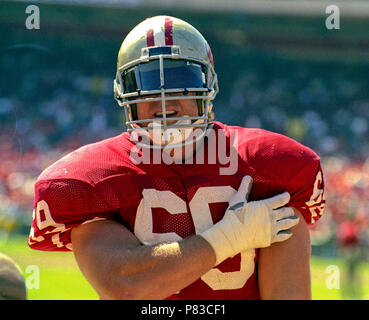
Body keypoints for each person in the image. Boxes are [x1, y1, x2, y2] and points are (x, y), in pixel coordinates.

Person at [28, 16, 325, 300]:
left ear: (208, 86)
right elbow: (123, 286)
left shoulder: (268, 168)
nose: (164, 100)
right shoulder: (93, 178)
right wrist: (229, 238)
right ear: (124, 93)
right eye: (145, 83)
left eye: (179, 78)